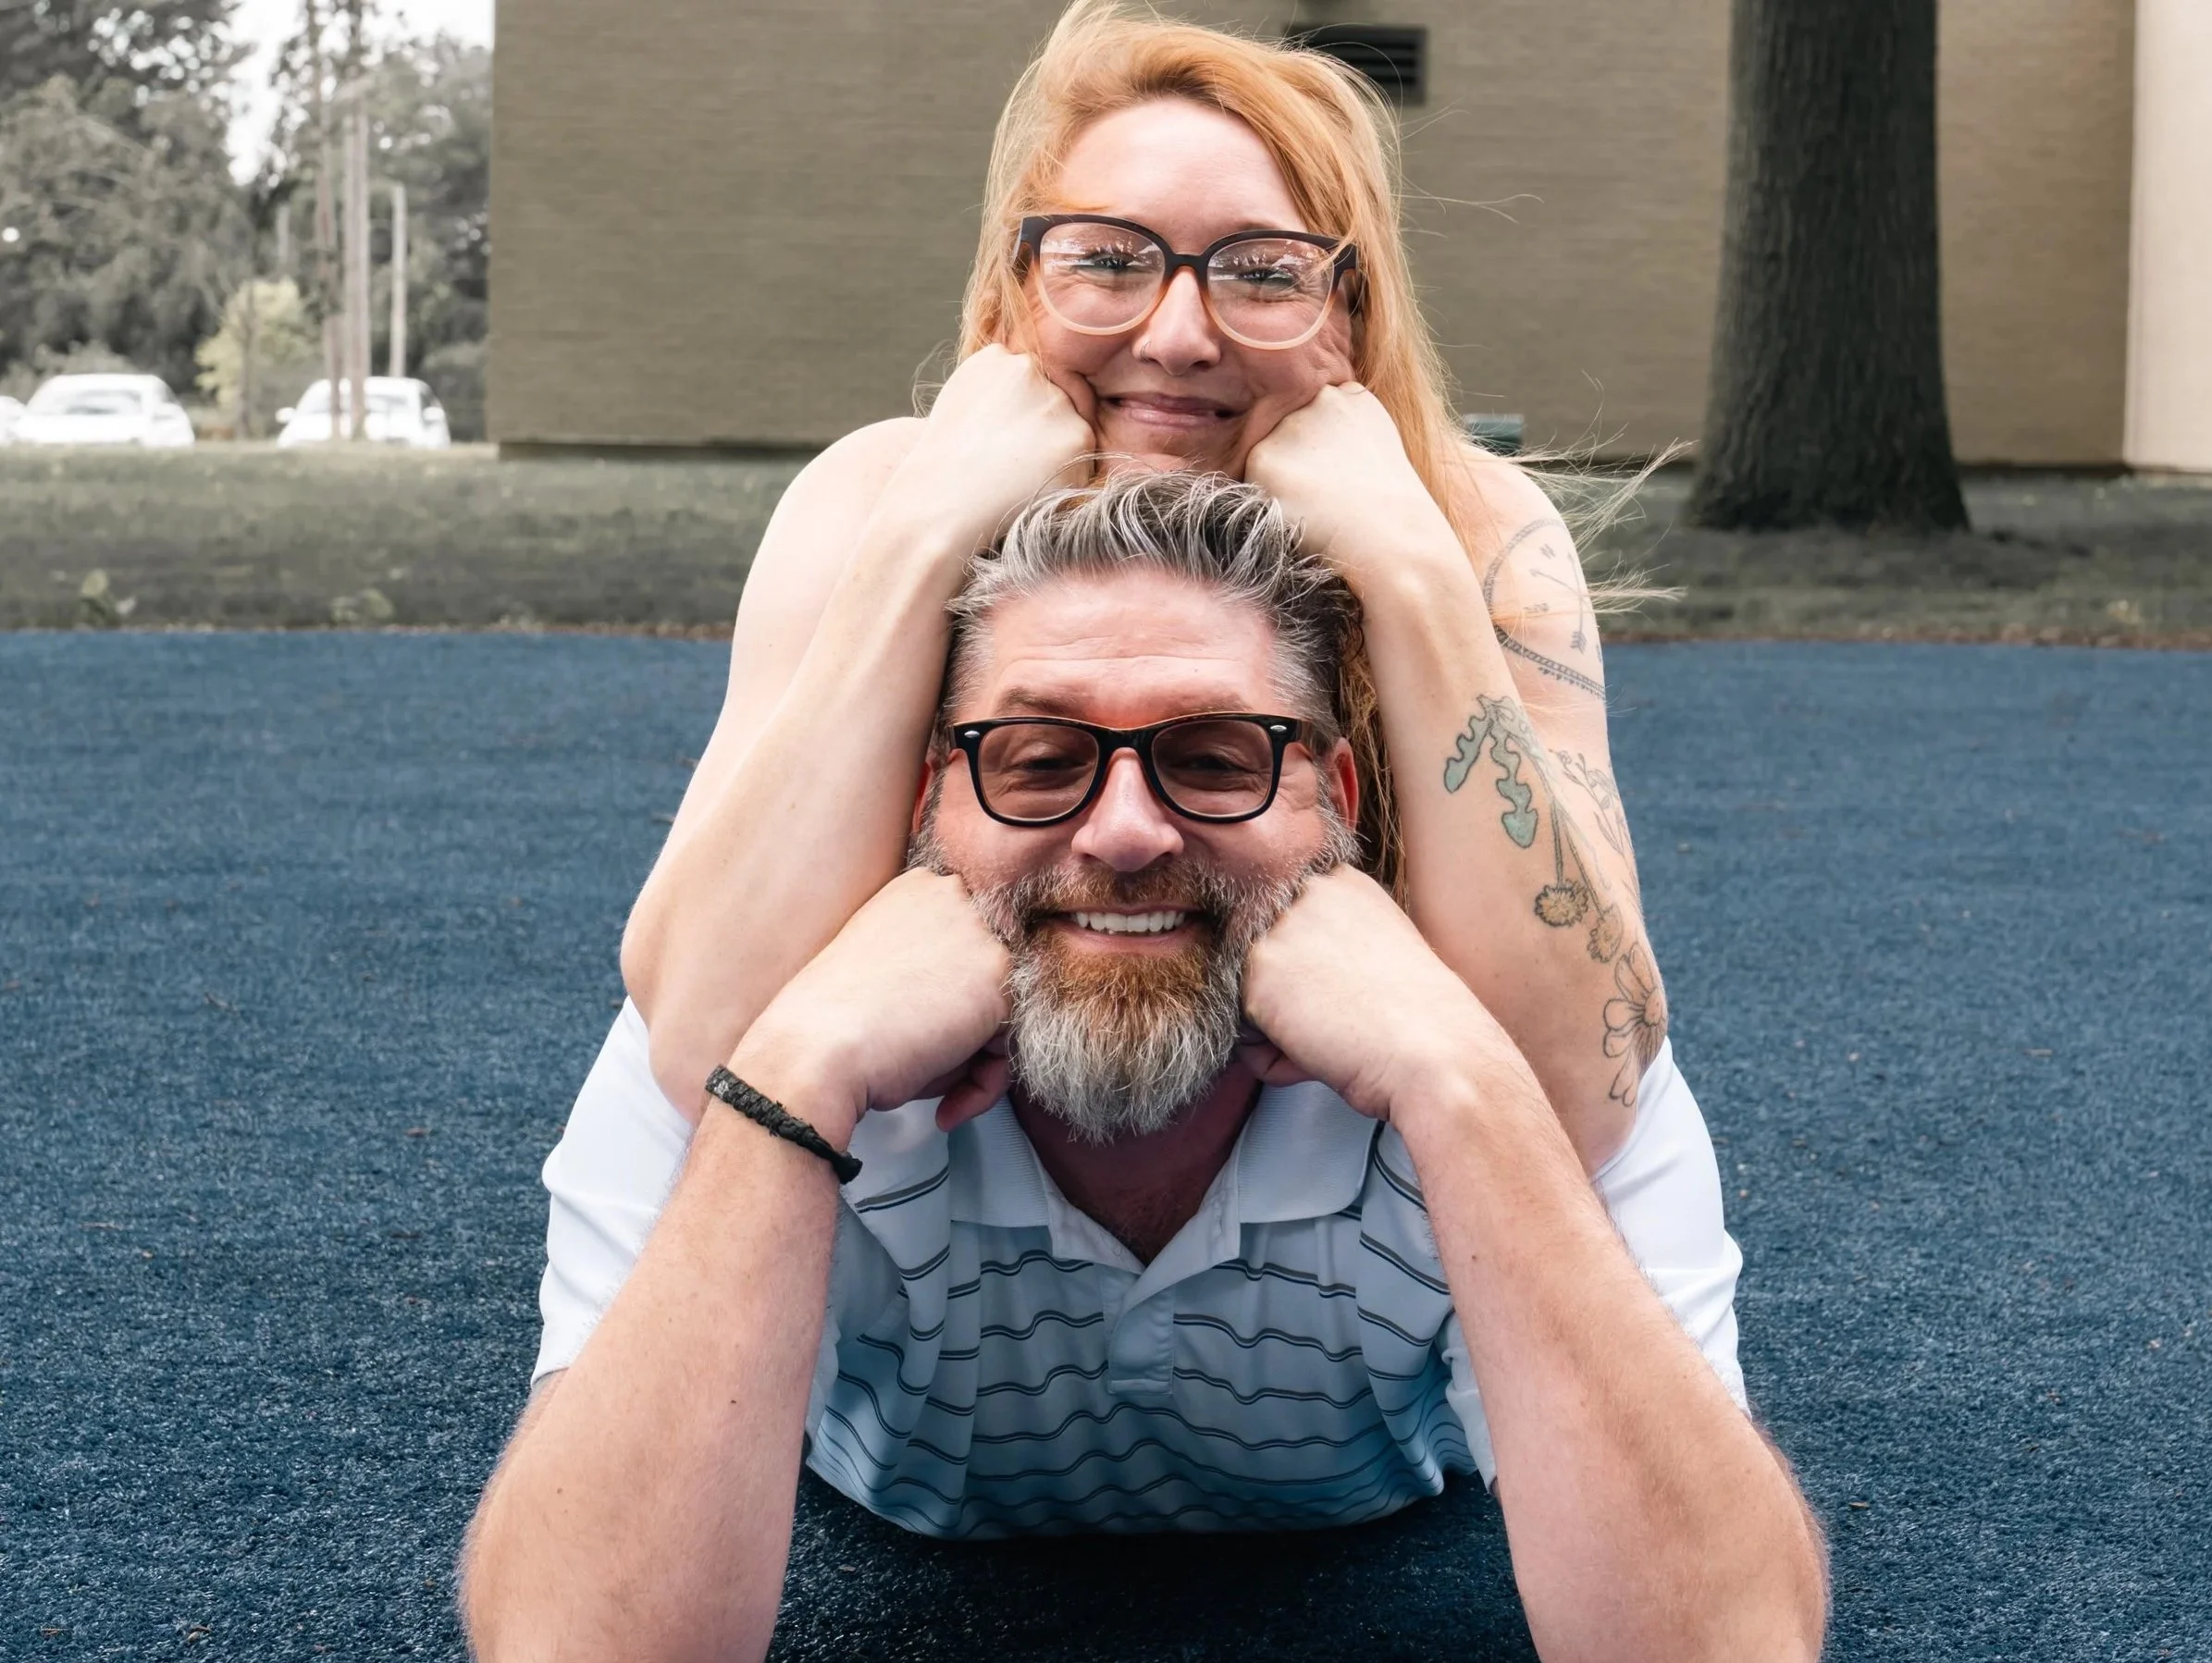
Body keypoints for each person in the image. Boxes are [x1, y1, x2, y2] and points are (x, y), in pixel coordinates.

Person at [459, 473, 1827, 1663]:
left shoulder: (1531, 1041)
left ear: (1338, 798)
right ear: (930, 798)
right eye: (1038, 760)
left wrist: (1462, 1083)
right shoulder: (748, 1028)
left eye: (1217, 759)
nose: (1124, 834)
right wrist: (795, 1080)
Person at [618, 1, 1669, 1187]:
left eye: (1262, 273)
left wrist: (1413, 574)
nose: (1176, 337)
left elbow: (1584, 1094)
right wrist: (922, 539)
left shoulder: (1471, 530)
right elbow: (701, 1044)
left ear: (1352, 314)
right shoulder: (876, 498)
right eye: (1108, 261)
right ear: (1016, 290)